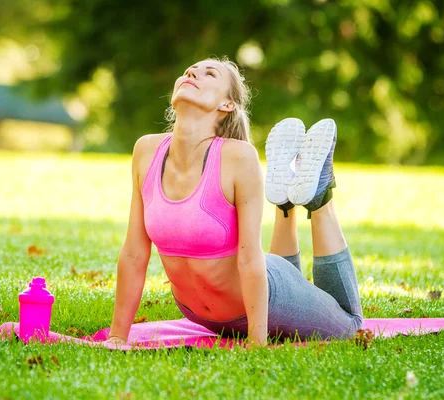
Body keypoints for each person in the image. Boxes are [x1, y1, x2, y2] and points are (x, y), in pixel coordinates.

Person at [103, 57, 363, 347]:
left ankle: (320, 199)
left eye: (209, 73)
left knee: (351, 325)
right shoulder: (146, 150)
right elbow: (134, 253)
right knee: (284, 272)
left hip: (267, 297)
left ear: (227, 105)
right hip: (200, 315)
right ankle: (286, 204)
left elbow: (250, 258)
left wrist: (256, 341)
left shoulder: (237, 156)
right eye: (190, 70)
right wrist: (117, 336)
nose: (192, 72)